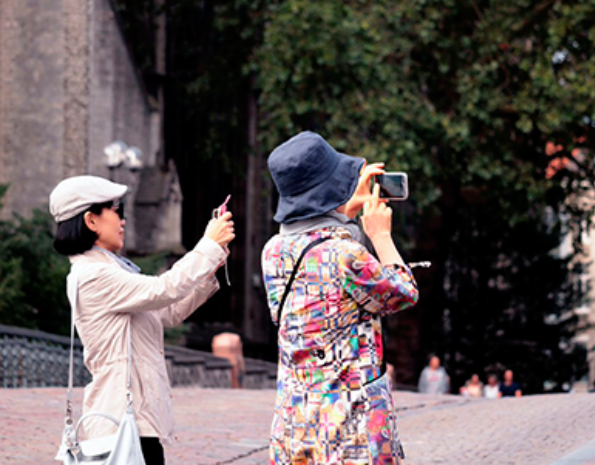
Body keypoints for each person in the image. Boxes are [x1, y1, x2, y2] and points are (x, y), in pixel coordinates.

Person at [50, 175, 235, 465]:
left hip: (137, 421)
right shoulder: (93, 275)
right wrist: (207, 246)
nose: (123, 221)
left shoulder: (113, 270)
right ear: (91, 220)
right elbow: (164, 288)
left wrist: (210, 265)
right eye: (116, 211)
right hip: (120, 422)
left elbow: (167, 312)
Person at [262, 131, 419, 464]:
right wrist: (380, 235)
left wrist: (343, 208)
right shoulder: (346, 255)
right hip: (350, 429)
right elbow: (404, 293)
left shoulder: (272, 252)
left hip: (296, 424)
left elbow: (314, 241)